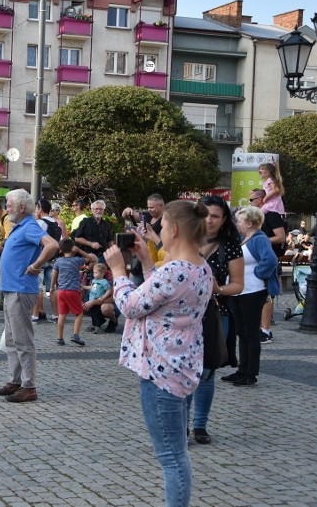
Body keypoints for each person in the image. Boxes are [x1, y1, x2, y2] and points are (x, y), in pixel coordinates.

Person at [105, 201, 213, 507]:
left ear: (175, 229)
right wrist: (146, 262)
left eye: (162, 227)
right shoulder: (200, 267)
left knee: (172, 457)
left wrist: (118, 271)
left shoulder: (176, 271)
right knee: (177, 453)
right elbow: (163, 295)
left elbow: (131, 306)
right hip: (182, 366)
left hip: (160, 372)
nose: (159, 232)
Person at [0, 189, 59, 403]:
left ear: (22, 207)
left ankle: (29, 386)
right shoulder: (19, 226)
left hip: (21, 289)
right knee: (12, 340)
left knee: (23, 340)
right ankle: (15, 381)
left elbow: (53, 245)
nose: (6, 208)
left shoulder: (29, 225)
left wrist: (36, 265)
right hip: (13, 288)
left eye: (9, 204)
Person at [187, 195, 245, 445]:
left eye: (216, 216)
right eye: (206, 214)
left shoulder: (230, 245)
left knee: (206, 372)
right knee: (184, 370)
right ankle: (181, 424)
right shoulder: (185, 240)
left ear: (223, 221)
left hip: (214, 313)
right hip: (184, 314)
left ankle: (200, 425)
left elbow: (238, 285)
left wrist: (218, 289)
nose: (209, 220)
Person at [222, 206, 279, 387]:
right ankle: (242, 369)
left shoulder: (259, 239)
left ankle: (250, 373)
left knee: (250, 333)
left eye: (239, 220)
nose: (237, 223)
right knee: (242, 332)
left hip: (252, 291)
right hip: (240, 291)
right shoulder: (245, 238)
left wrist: (258, 274)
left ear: (249, 222)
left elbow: (270, 260)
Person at [247, 189, 286, 344]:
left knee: (266, 294)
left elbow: (281, 237)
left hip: (268, 258)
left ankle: (265, 330)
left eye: (252, 200)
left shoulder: (272, 215)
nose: (250, 203)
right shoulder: (259, 218)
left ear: (261, 199)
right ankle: (259, 327)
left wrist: (259, 241)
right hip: (258, 258)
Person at [52, 238, 97, 346]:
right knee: (79, 312)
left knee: (62, 314)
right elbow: (90, 258)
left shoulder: (58, 261)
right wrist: (79, 250)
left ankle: (59, 338)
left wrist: (52, 287)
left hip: (61, 291)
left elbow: (54, 274)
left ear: (61, 250)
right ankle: (75, 335)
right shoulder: (77, 260)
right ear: (73, 249)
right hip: (73, 291)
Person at [83, 263, 112, 332]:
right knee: (92, 313)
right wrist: (83, 286)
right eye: (93, 273)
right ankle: (94, 324)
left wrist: (103, 297)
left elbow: (109, 290)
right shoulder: (94, 280)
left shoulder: (104, 282)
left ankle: (98, 326)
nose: (94, 274)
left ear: (102, 273)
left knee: (97, 313)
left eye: (96, 273)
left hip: (97, 301)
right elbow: (91, 287)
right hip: (91, 299)